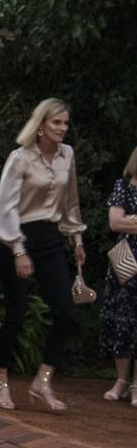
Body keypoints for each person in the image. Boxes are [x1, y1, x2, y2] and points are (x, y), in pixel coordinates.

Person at [0, 99, 86, 411]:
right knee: (16, 313)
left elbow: (71, 199)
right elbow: (5, 206)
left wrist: (76, 239)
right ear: (41, 125)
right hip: (15, 238)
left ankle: (41, 382)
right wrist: (18, 249)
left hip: (49, 238)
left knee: (65, 312)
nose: (62, 129)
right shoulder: (20, 158)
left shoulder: (67, 155)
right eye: (56, 123)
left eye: (65, 124)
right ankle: (1, 380)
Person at [100, 146, 137, 406]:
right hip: (125, 261)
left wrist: (130, 219)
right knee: (120, 318)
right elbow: (114, 222)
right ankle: (121, 380)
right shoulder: (123, 185)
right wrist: (126, 220)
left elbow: (123, 220)